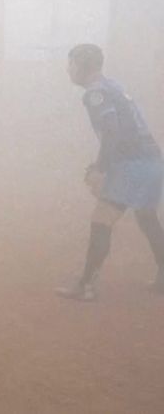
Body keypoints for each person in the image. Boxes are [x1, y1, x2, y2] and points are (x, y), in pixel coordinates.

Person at [56, 44, 164, 301]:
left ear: (83, 66)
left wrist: (100, 170)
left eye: (71, 64)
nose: (68, 69)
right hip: (152, 161)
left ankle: (86, 285)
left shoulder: (96, 93)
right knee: (147, 217)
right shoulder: (112, 85)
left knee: (101, 220)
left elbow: (112, 132)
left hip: (133, 163)